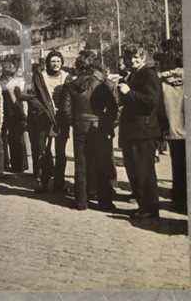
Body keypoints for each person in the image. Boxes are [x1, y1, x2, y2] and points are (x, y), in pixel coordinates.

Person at [59, 50, 119, 211]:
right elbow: (113, 106)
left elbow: (64, 110)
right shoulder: (101, 84)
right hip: (98, 125)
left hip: (80, 126)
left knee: (81, 163)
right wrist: (105, 123)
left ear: (77, 68)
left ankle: (81, 202)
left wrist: (75, 122)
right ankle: (105, 202)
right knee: (102, 163)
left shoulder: (70, 85)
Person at [118, 44, 162, 219]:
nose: (133, 60)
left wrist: (128, 93)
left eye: (137, 57)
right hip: (133, 131)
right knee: (134, 170)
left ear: (144, 58)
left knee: (144, 171)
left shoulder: (148, 75)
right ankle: (143, 205)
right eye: (130, 58)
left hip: (144, 131)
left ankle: (150, 208)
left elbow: (151, 101)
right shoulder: (134, 75)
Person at [22, 50, 72, 194]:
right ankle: (41, 182)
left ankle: (59, 183)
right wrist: (43, 110)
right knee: (42, 151)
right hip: (43, 119)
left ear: (62, 62)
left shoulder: (67, 78)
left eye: (58, 61)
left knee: (61, 152)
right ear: (47, 63)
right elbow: (32, 96)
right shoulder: (39, 77)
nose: (55, 64)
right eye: (52, 61)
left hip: (61, 119)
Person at [157, 39, 186, 214]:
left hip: (173, 128)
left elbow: (160, 107)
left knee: (177, 163)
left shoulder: (162, 81)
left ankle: (179, 197)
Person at [3, 63, 28, 173]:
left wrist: (21, 114)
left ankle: (17, 166)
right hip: (19, 113)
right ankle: (23, 164)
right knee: (20, 140)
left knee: (14, 140)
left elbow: (14, 102)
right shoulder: (22, 82)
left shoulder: (10, 85)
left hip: (14, 114)